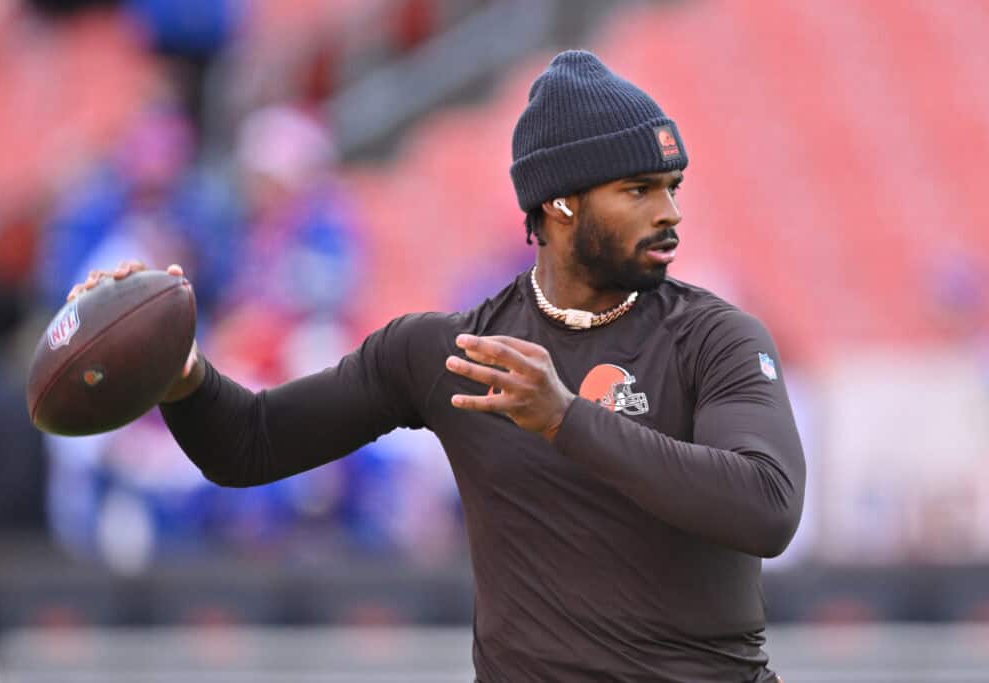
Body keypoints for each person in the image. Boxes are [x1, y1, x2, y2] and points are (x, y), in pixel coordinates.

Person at [71, 50, 804, 683]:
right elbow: (249, 443)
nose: (670, 211)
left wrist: (565, 419)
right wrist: (180, 370)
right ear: (560, 204)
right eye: (639, 190)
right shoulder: (450, 352)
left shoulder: (715, 336)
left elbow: (766, 507)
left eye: (672, 185)